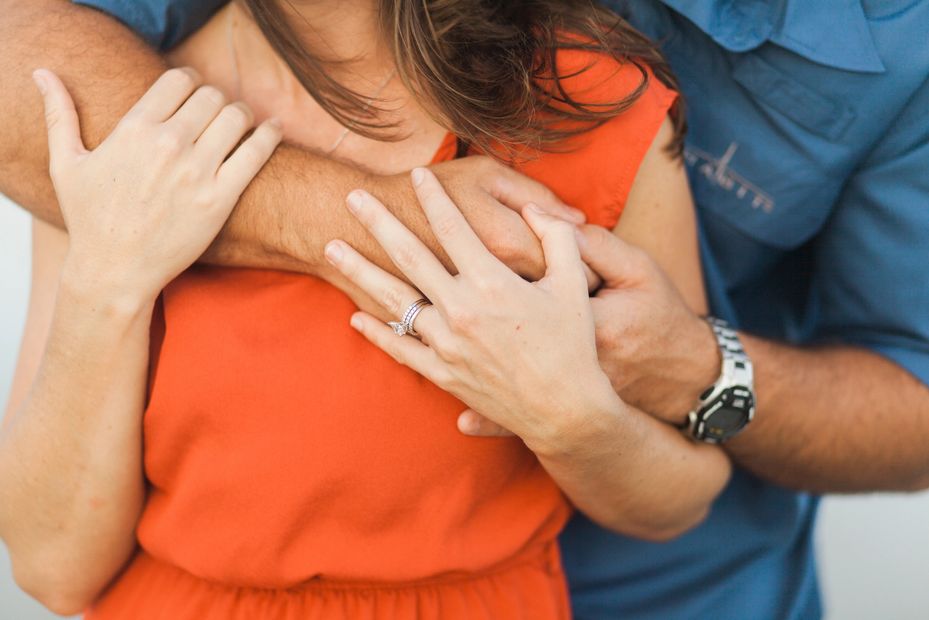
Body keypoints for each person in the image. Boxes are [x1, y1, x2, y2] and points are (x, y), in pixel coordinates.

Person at [1, 1, 927, 619]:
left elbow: (687, 489)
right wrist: (109, 286)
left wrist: (579, 411)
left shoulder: (594, 106)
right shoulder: (128, 117)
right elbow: (49, 565)